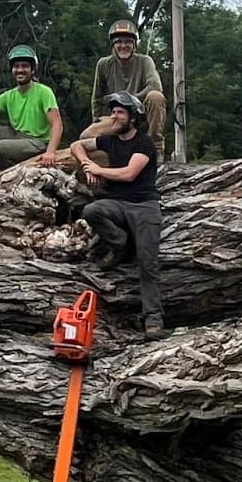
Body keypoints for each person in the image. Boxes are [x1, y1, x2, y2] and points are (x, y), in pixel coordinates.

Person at [71, 91, 165, 339]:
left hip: (144, 205)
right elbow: (76, 145)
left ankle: (153, 318)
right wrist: (86, 165)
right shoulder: (108, 140)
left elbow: (129, 174)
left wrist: (99, 170)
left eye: (120, 112)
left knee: (147, 262)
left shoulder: (144, 143)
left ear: (132, 117)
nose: (114, 116)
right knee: (92, 211)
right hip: (118, 203)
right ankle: (121, 242)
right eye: (112, 112)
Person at [0, 45, 63, 172]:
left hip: (37, 141)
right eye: (16, 66)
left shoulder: (44, 92)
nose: (20, 70)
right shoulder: (9, 95)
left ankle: (5, 175)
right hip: (16, 136)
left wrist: (50, 152)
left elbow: (57, 124)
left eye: (24, 66)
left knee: (0, 148)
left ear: (32, 70)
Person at [82, 19, 167, 155]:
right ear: (113, 45)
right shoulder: (103, 64)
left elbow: (155, 85)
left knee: (156, 96)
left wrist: (130, 100)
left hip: (139, 117)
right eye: (119, 42)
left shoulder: (145, 61)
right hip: (116, 117)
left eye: (128, 42)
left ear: (134, 44)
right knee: (86, 137)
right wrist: (96, 121)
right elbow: (97, 97)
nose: (123, 46)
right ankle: (111, 154)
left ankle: (155, 149)